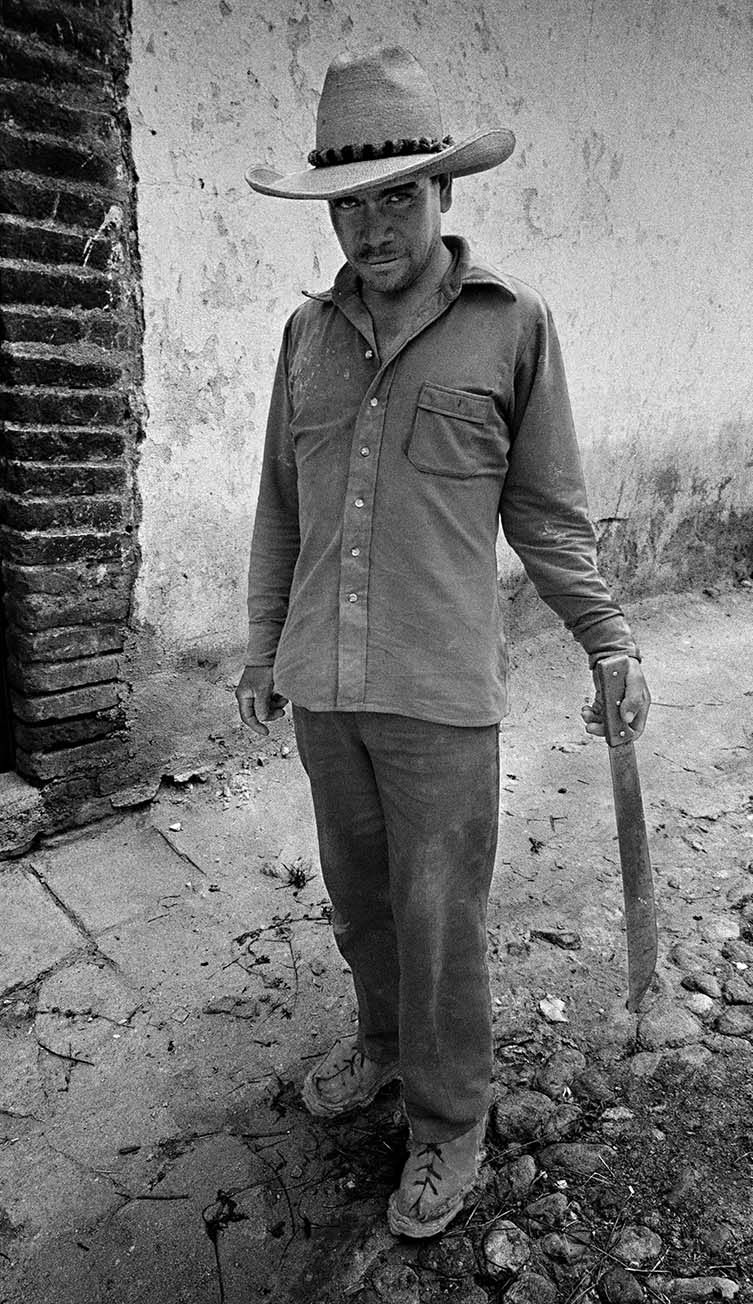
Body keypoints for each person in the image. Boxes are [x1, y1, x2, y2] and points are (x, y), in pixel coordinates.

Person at [236, 45, 650, 1239]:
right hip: (325, 679)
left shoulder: (511, 328)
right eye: (352, 204)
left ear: (446, 196)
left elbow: (549, 512)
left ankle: (449, 1116)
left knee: (439, 915)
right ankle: (379, 1047)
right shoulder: (305, 337)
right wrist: (264, 644)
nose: (373, 227)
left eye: (399, 197)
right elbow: (279, 502)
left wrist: (609, 640)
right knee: (362, 904)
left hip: (441, 693)